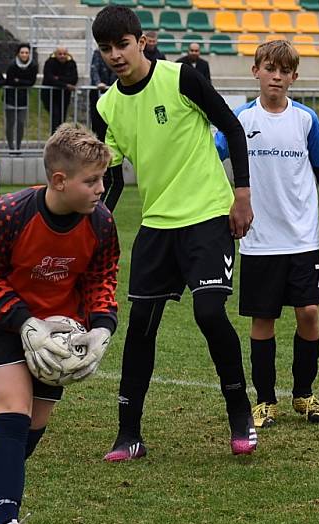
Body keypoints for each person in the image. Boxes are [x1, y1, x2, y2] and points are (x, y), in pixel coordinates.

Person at [91, 6, 258, 461]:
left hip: (207, 215)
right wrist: (95, 223)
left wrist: (241, 194)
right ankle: (129, 435)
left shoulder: (181, 78)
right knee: (141, 326)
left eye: (122, 45)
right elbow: (109, 176)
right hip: (157, 224)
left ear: (140, 41)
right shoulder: (106, 105)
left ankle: (239, 412)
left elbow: (232, 127)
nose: (115, 55)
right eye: (106, 49)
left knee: (208, 312)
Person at [0, 123, 119, 524]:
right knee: (12, 415)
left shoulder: (102, 222)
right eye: (91, 181)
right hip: (5, 323)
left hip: (61, 332)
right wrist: (25, 322)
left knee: (33, 427)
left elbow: (101, 277)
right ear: (59, 181)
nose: (100, 189)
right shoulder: (11, 213)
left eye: (102, 179)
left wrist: (101, 328)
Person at [215, 39, 319, 429]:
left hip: (302, 239)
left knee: (309, 314)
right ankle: (265, 401)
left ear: (294, 77)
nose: (276, 76)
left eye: (284, 70)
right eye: (269, 68)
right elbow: (208, 159)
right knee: (263, 321)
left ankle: (304, 395)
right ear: (255, 71)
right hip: (258, 239)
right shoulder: (239, 120)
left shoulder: (305, 120)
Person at [4, 43, 38, 152]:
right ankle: (11, 146)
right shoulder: (12, 65)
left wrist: (19, 81)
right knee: (10, 123)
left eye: (26, 53)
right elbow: (10, 81)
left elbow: (31, 82)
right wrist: (21, 82)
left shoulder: (32, 66)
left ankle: (18, 146)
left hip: (23, 99)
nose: (24, 55)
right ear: (18, 54)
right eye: (22, 52)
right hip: (10, 98)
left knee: (20, 123)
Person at [41, 46, 79, 134]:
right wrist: (65, 84)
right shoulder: (50, 62)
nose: (62, 56)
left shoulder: (71, 63)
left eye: (64, 54)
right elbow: (49, 78)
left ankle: (60, 140)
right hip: (50, 96)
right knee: (55, 117)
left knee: (62, 119)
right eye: (60, 54)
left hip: (64, 96)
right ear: (55, 54)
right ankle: (54, 139)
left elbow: (73, 79)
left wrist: (58, 78)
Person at [89, 49, 117, 126]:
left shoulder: (117, 52)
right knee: (97, 120)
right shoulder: (98, 53)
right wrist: (98, 83)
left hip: (113, 91)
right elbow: (94, 69)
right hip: (98, 91)